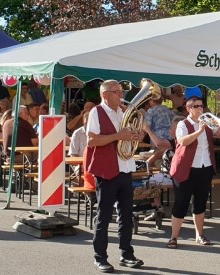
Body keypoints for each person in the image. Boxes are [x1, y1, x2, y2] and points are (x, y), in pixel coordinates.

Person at [85, 80, 144, 273]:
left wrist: (136, 136)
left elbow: (128, 138)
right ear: (105, 95)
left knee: (126, 215)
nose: (121, 95)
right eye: (117, 92)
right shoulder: (96, 112)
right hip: (106, 170)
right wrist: (119, 136)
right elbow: (92, 140)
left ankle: (126, 253)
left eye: (121, 91)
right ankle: (100, 257)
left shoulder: (122, 111)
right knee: (104, 215)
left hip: (125, 168)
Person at [167, 94, 220, 249]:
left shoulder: (207, 123)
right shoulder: (182, 124)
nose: (199, 109)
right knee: (181, 203)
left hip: (204, 167)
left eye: (201, 106)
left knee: (200, 203)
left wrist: (217, 124)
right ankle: (174, 237)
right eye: (195, 106)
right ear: (188, 109)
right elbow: (183, 141)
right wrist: (200, 130)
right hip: (185, 168)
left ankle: (199, 235)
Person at [143, 96, 174, 167]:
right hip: (169, 138)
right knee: (167, 158)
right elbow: (174, 121)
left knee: (157, 160)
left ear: (152, 101)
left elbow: (146, 127)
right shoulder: (167, 109)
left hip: (157, 138)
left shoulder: (150, 111)